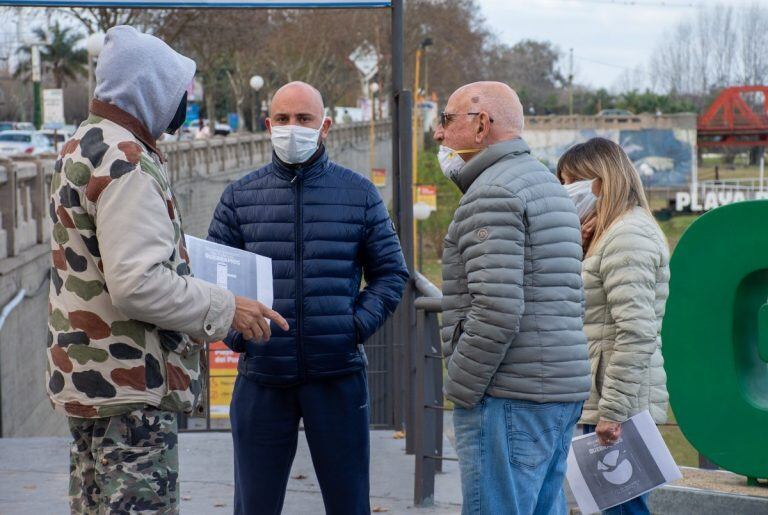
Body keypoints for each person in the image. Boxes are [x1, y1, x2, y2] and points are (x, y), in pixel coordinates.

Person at [46, 26, 287, 514]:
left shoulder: (84, 145)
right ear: (149, 89)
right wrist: (226, 307)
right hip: (132, 388)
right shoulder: (127, 162)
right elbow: (138, 285)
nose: (182, 102)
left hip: (94, 383)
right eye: (178, 89)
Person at [207, 81, 409, 515]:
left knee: (349, 503)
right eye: (282, 119)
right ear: (268, 125)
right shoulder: (239, 197)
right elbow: (212, 283)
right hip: (262, 378)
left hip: (336, 377)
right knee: (255, 505)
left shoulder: (359, 194)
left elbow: (391, 273)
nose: (292, 128)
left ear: (325, 126)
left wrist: (352, 326)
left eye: (303, 119)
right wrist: (240, 339)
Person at [436, 81, 590, 515]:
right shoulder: (544, 183)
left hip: (508, 395)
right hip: (555, 390)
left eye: (447, 119)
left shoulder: (492, 192)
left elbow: (497, 308)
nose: (439, 133)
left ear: (482, 124)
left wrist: (461, 387)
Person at [558, 138, 670, 515]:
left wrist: (612, 412)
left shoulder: (627, 236)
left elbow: (635, 331)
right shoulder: (607, 234)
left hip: (619, 407)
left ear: (600, 181)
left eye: (571, 182)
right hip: (608, 399)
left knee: (623, 510)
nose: (564, 192)